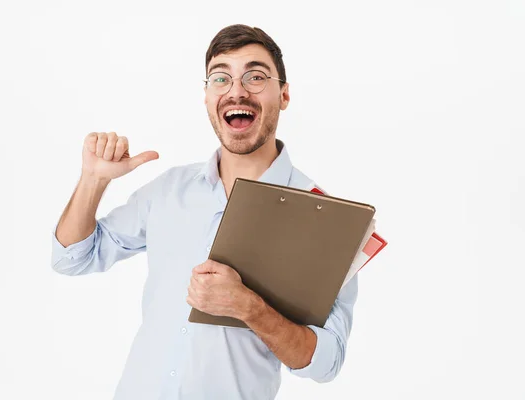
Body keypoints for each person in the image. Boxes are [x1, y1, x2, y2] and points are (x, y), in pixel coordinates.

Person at [51, 24, 359, 400]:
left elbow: (327, 360)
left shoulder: (326, 220)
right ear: (207, 94)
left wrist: (250, 308)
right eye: (221, 77)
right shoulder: (168, 190)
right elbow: (72, 257)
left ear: (285, 94)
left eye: (256, 76)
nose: (236, 90)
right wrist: (93, 181)